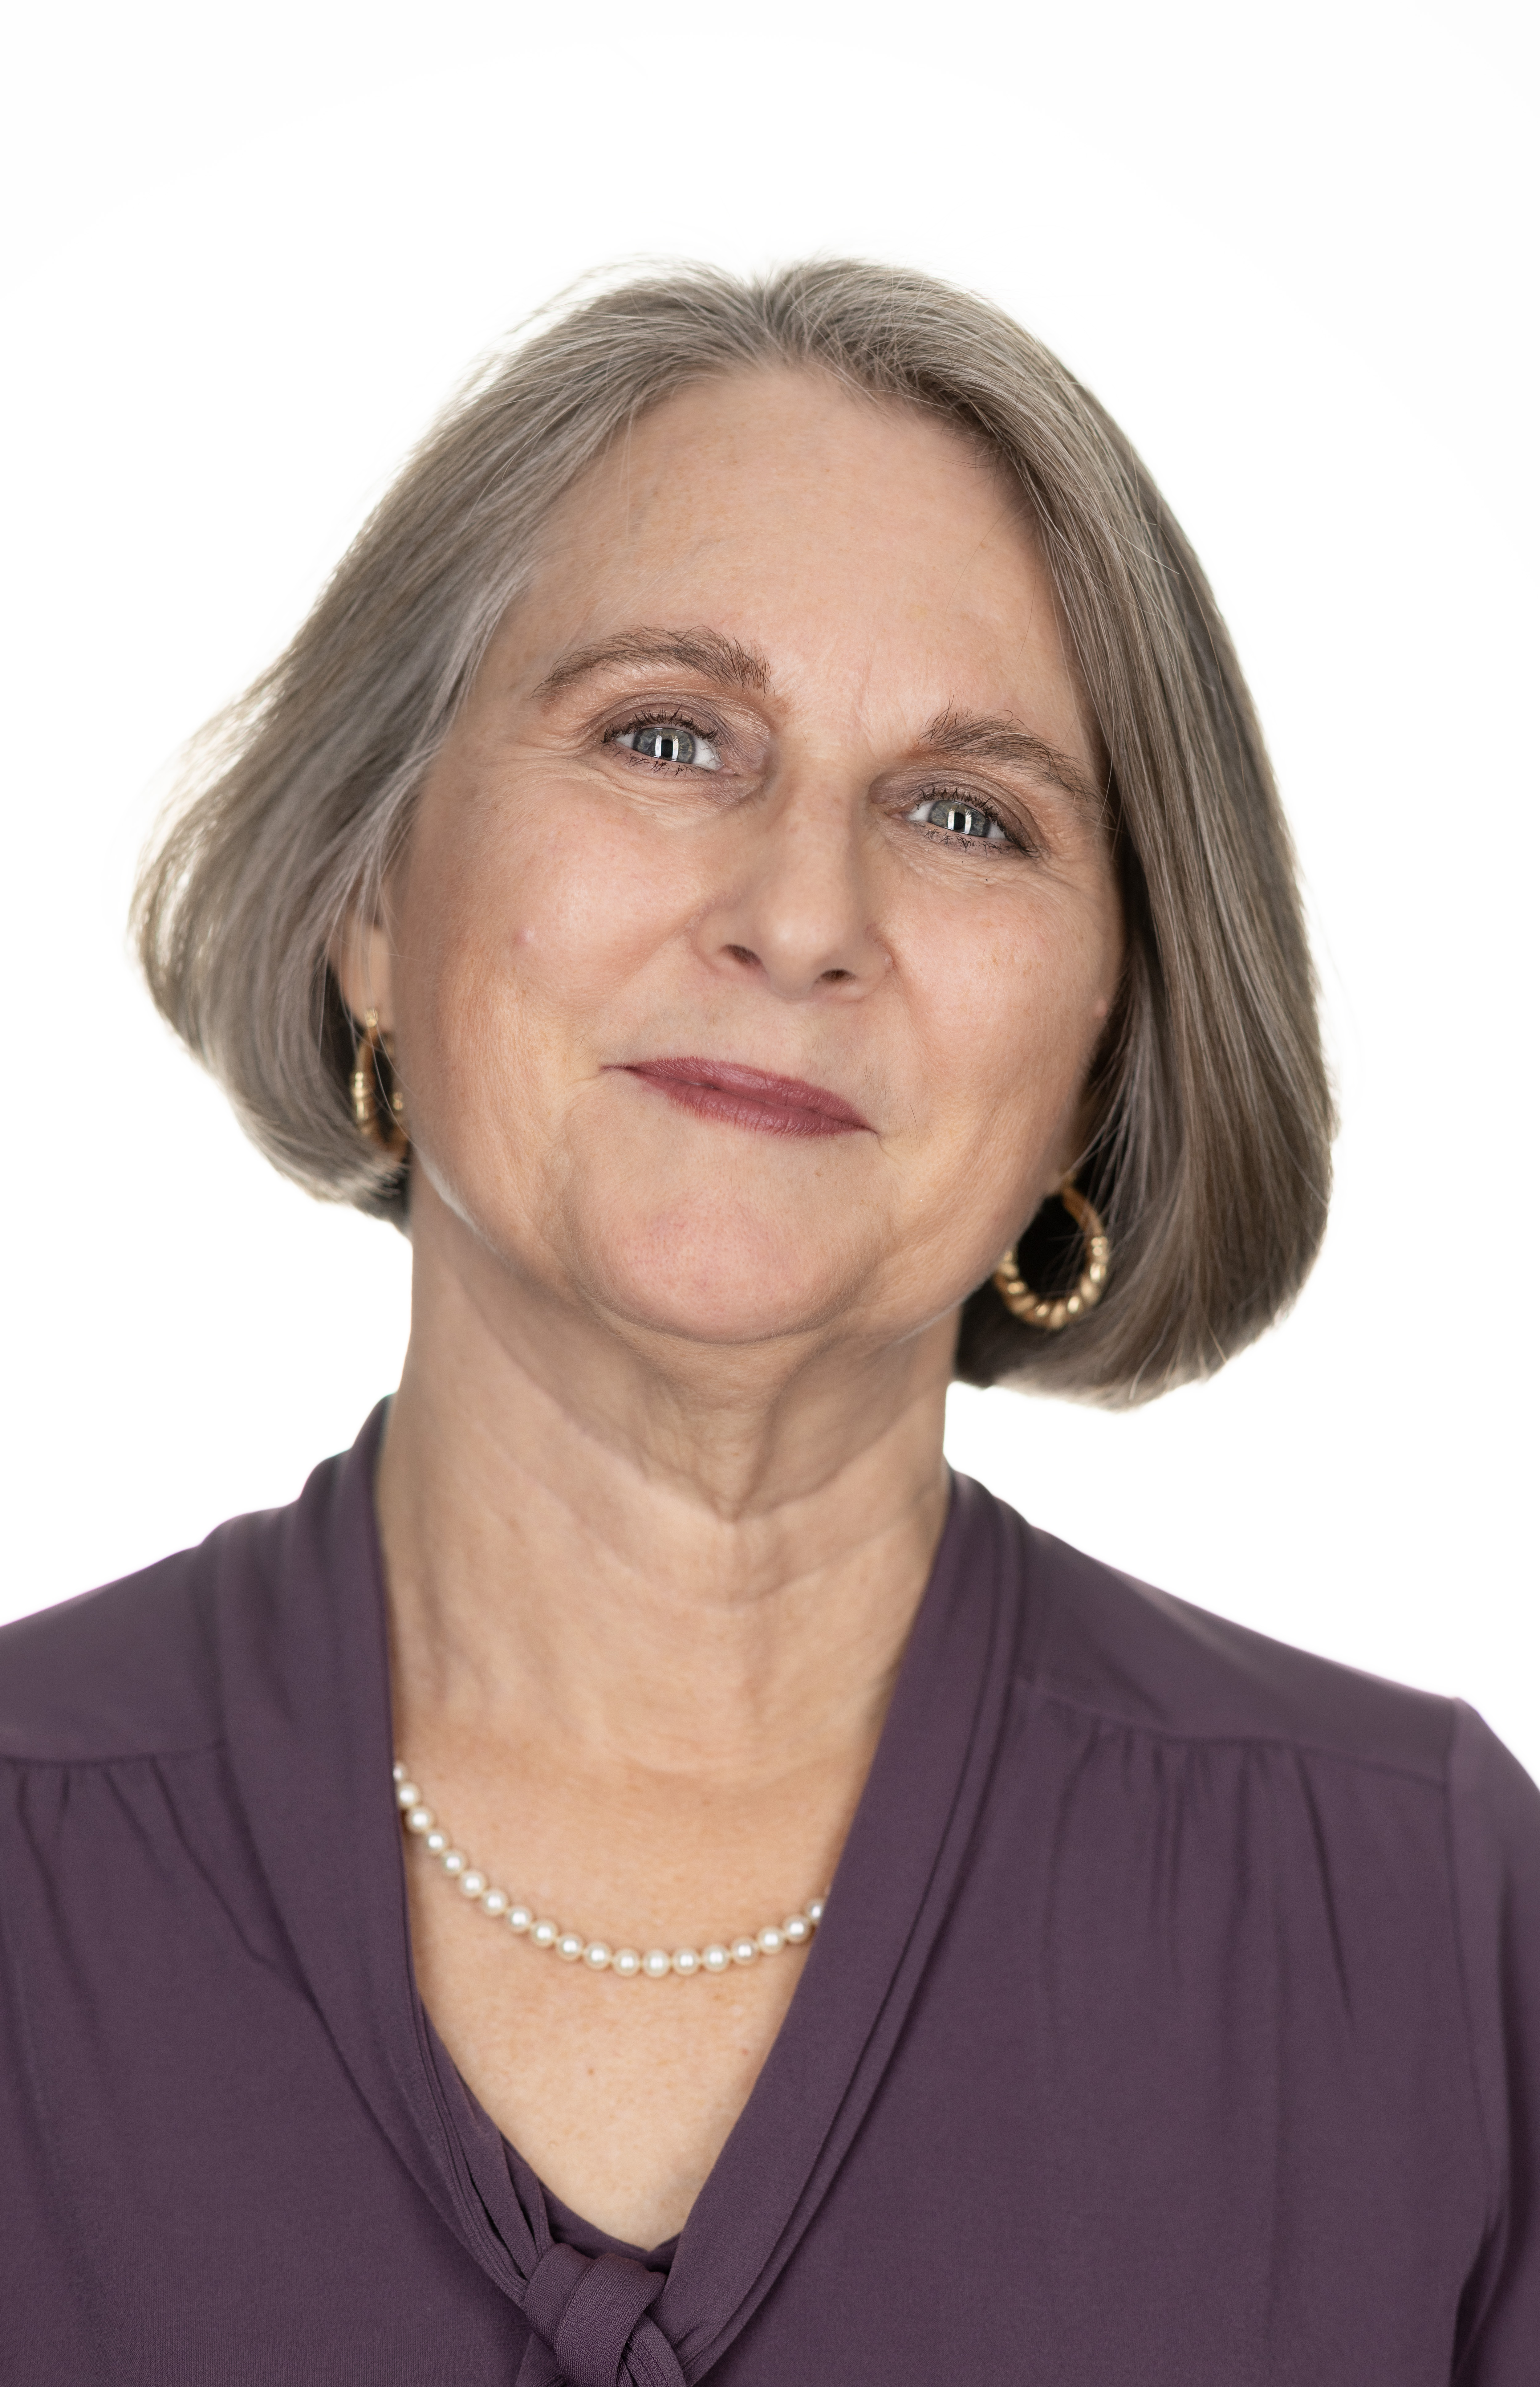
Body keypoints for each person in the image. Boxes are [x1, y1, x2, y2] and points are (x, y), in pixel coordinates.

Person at [2, 261, 1535, 2386]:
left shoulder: (1419, 1928)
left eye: (965, 810)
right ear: (369, 897)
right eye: (663, 734)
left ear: (1105, 1050)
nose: (803, 915)